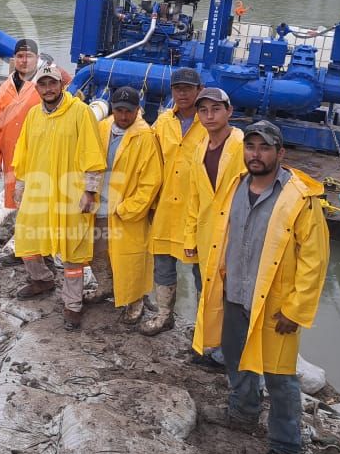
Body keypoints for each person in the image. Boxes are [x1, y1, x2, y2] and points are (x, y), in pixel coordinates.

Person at [193, 120, 330, 454]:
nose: (256, 154)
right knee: (235, 357)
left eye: (264, 148)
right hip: (235, 294)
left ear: (280, 153)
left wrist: (295, 310)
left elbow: (314, 260)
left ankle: (285, 450)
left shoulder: (300, 198)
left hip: (274, 305)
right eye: (250, 147)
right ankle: (243, 413)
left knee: (280, 378)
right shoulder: (236, 187)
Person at [11, 65, 106, 330]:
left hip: (70, 194)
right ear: (37, 88)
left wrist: (90, 191)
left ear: (61, 85)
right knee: (27, 237)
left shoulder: (80, 112)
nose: (48, 89)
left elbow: (92, 154)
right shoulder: (33, 115)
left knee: (72, 251)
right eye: (43, 84)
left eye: (52, 83)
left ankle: (72, 304)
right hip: (38, 192)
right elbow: (24, 151)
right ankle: (41, 279)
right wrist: (20, 185)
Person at [0, 38, 72, 266]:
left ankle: (45, 253)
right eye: (20, 56)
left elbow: (70, 86)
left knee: (41, 205)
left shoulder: (45, 85)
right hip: (12, 156)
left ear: (37, 58)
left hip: (40, 157)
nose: (24, 60)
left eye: (29, 56)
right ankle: (24, 250)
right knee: (20, 205)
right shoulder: (5, 87)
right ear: (13, 59)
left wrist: (57, 70)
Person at [142, 67, 208, 335]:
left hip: (199, 211)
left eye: (188, 89)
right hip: (166, 205)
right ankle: (164, 315)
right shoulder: (162, 122)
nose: (182, 94)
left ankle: (203, 327)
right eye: (178, 89)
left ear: (199, 91)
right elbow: (149, 161)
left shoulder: (209, 124)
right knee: (163, 263)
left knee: (202, 270)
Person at [182, 87, 244, 365]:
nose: (209, 116)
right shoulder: (200, 150)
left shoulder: (243, 147)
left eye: (216, 109)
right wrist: (190, 237)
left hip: (235, 235)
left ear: (229, 111)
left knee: (233, 297)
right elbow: (194, 198)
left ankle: (230, 354)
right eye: (203, 110)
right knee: (210, 291)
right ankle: (212, 344)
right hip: (207, 235)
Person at [93, 86, 164, 324]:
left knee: (131, 259)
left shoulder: (146, 137)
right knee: (98, 252)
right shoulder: (102, 128)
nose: (123, 116)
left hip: (126, 210)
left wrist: (128, 208)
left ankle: (135, 301)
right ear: (112, 108)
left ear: (137, 110)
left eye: (128, 111)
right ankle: (105, 286)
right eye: (119, 110)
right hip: (99, 206)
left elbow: (151, 182)